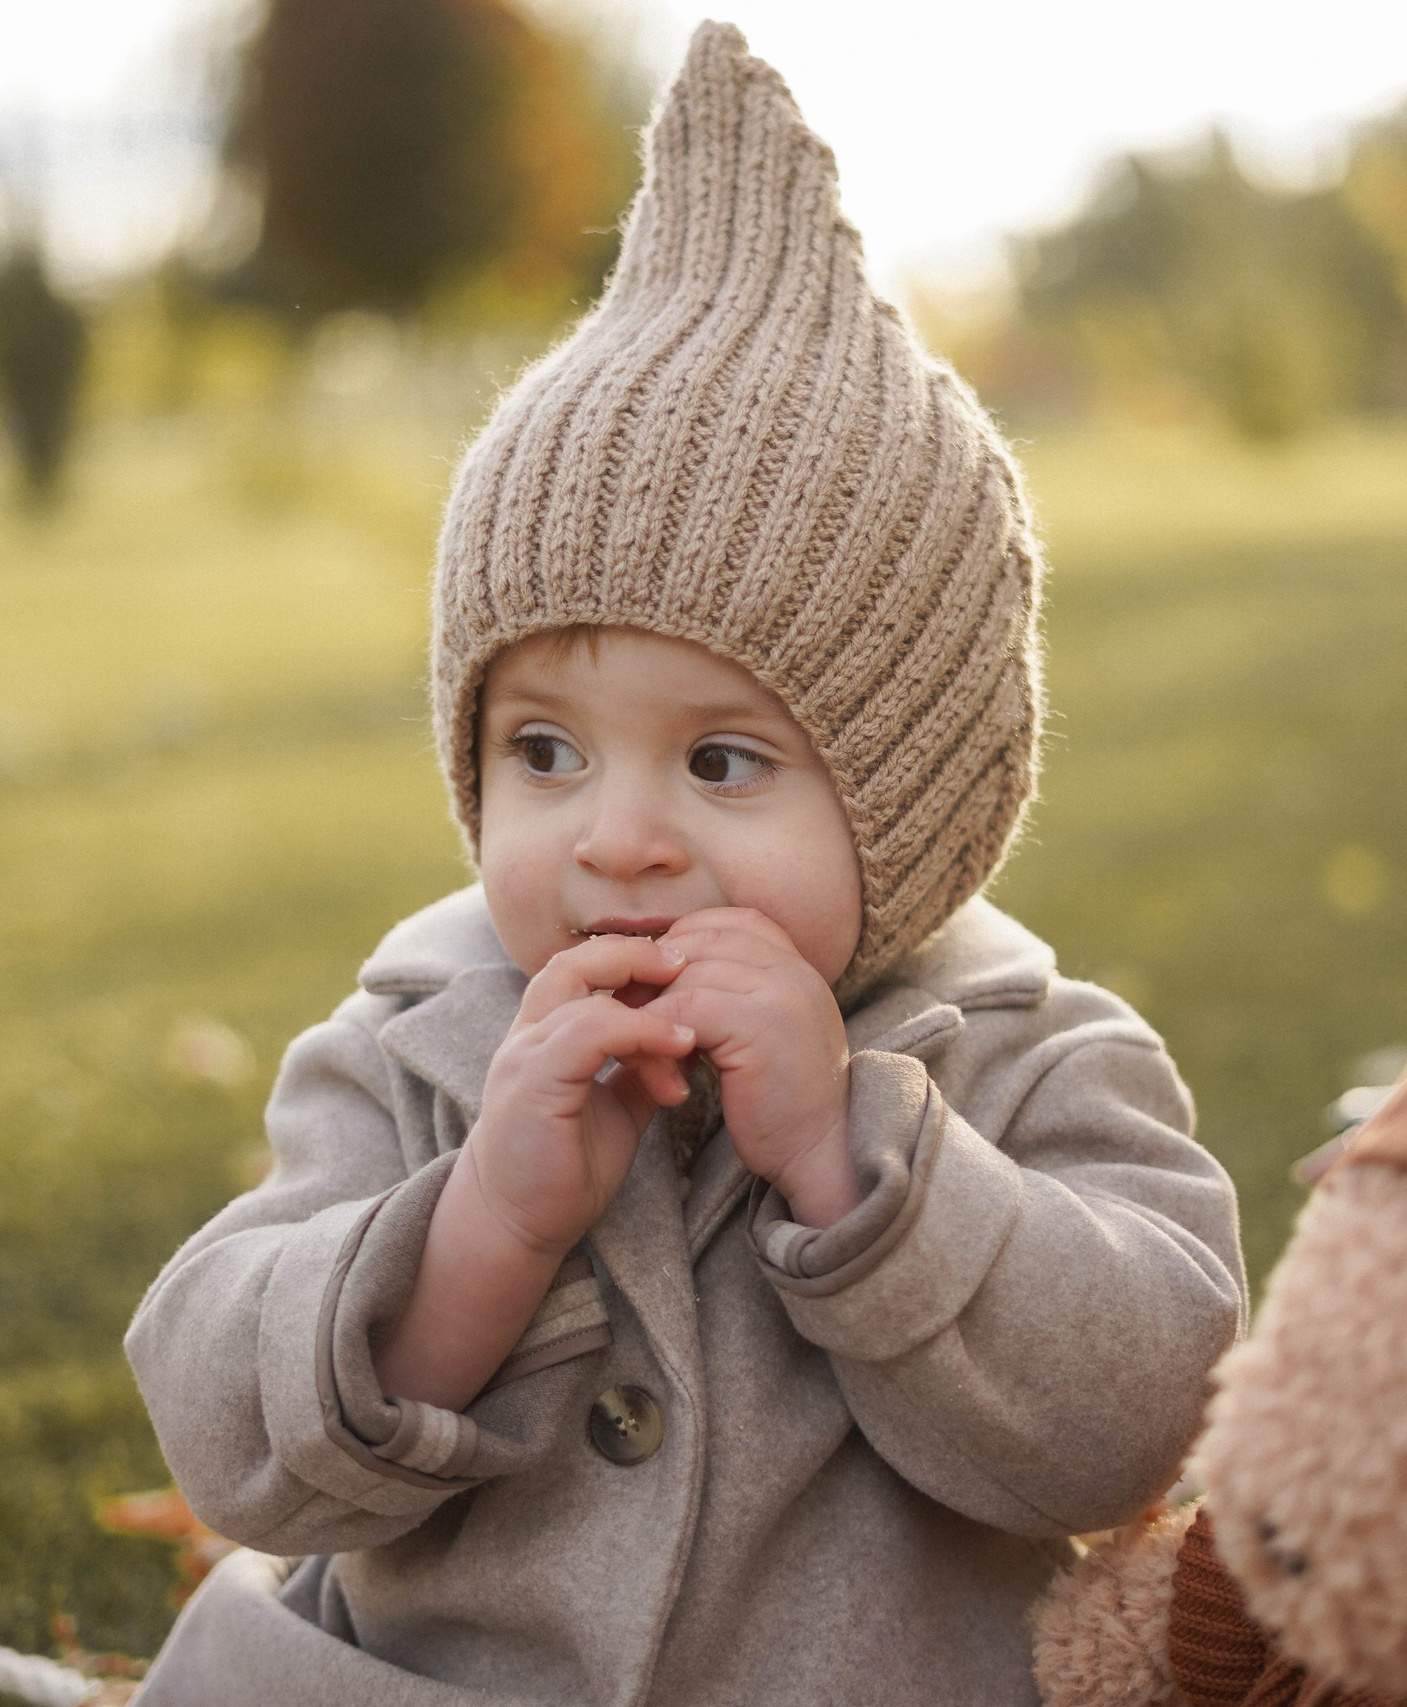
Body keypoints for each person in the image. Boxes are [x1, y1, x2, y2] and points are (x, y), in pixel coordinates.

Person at [124, 23, 1245, 1706]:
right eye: (543, 753)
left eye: (723, 762)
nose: (618, 837)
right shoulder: (418, 1048)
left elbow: (1136, 1424)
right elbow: (231, 1439)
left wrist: (863, 1167)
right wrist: (480, 1233)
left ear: (914, 804)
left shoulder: (1029, 1061)